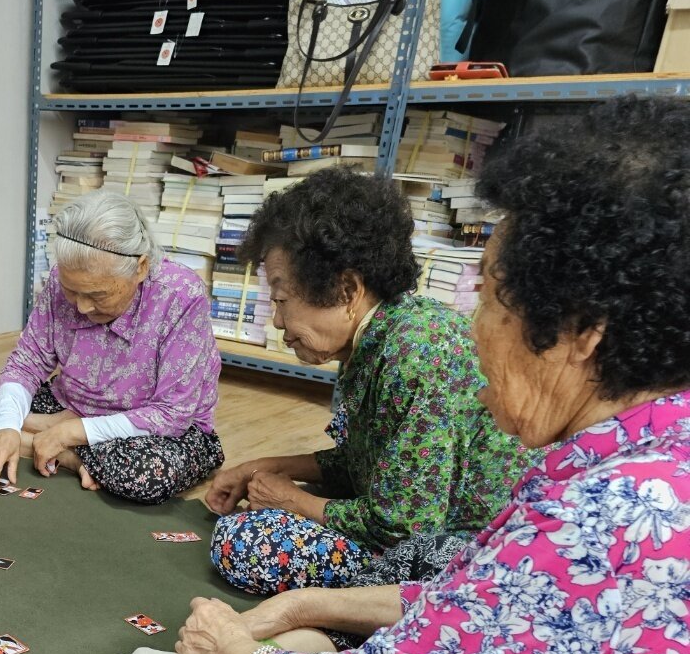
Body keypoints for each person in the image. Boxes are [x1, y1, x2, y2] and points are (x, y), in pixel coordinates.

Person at [48, 96, 690, 654]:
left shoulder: (595, 517)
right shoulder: (649, 456)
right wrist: (317, 605)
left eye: (493, 299)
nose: (474, 325)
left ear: (583, 332)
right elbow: (494, 618)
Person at [205, 168, 529, 595]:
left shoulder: (416, 352)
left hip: (462, 554)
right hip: (419, 526)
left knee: (247, 541)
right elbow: (370, 464)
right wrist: (260, 467)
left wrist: (295, 501)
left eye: (282, 300)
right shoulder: (380, 335)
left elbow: (405, 528)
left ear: (346, 291)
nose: (278, 321)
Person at [0, 190, 223, 505]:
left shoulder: (181, 297)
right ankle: (71, 456)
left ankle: (56, 445)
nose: (82, 307)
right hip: (68, 407)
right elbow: (26, 364)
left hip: (156, 431)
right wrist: (4, 428)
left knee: (149, 473)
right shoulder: (62, 278)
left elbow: (171, 414)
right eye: (72, 291)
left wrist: (68, 432)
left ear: (140, 267)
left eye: (97, 295)